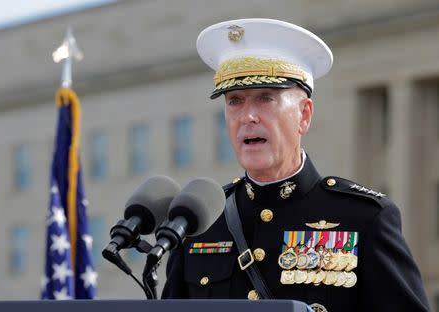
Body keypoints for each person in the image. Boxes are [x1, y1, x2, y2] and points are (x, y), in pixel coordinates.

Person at [161, 18, 430, 312]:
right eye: (235, 101)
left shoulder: (363, 218)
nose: (248, 116)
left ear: (304, 115)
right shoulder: (199, 224)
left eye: (266, 98)